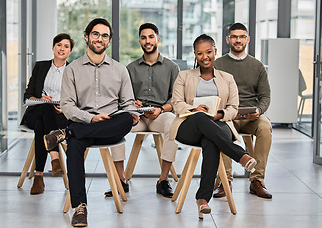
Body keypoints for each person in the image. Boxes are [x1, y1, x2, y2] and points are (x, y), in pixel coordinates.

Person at [43, 18, 139, 227]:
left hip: (112, 125)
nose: (100, 39)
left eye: (105, 35)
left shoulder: (120, 70)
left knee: (124, 119)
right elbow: (67, 106)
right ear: (87, 36)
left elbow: (128, 103)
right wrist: (91, 118)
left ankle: (66, 133)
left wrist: (133, 113)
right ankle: (80, 208)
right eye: (95, 34)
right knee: (76, 146)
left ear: (109, 40)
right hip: (83, 121)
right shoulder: (73, 69)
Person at [169, 34, 257, 218]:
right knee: (202, 118)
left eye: (208, 52)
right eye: (200, 53)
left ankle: (202, 200)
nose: (205, 57)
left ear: (215, 52)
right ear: (195, 54)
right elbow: (176, 103)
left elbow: (233, 108)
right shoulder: (183, 76)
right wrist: (194, 109)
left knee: (210, 141)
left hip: (219, 124)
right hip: (189, 125)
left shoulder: (227, 78)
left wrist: (219, 115)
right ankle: (240, 155)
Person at [105, 23, 179, 198]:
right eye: (144, 37)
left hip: (159, 115)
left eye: (151, 36)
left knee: (173, 124)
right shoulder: (130, 68)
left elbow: (176, 99)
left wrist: (160, 109)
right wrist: (132, 104)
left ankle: (163, 180)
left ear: (158, 39)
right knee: (115, 124)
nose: (148, 41)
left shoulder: (172, 68)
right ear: (140, 41)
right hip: (136, 116)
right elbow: (123, 97)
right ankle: (121, 180)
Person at [214, 22, 272, 199]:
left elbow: (265, 96)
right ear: (228, 39)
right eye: (234, 37)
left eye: (241, 37)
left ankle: (257, 180)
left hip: (250, 117)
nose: (237, 40)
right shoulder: (217, 64)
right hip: (227, 115)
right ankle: (225, 181)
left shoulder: (257, 66)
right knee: (218, 129)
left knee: (265, 127)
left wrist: (259, 111)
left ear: (247, 39)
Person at [20, 33, 74, 195]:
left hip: (60, 116)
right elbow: (27, 95)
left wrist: (64, 107)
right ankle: (54, 158)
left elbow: (77, 99)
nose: (61, 48)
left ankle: (39, 176)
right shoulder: (41, 66)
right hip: (35, 112)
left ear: (70, 51)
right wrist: (40, 98)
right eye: (59, 45)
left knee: (41, 127)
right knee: (45, 107)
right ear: (53, 47)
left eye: (66, 46)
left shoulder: (72, 71)